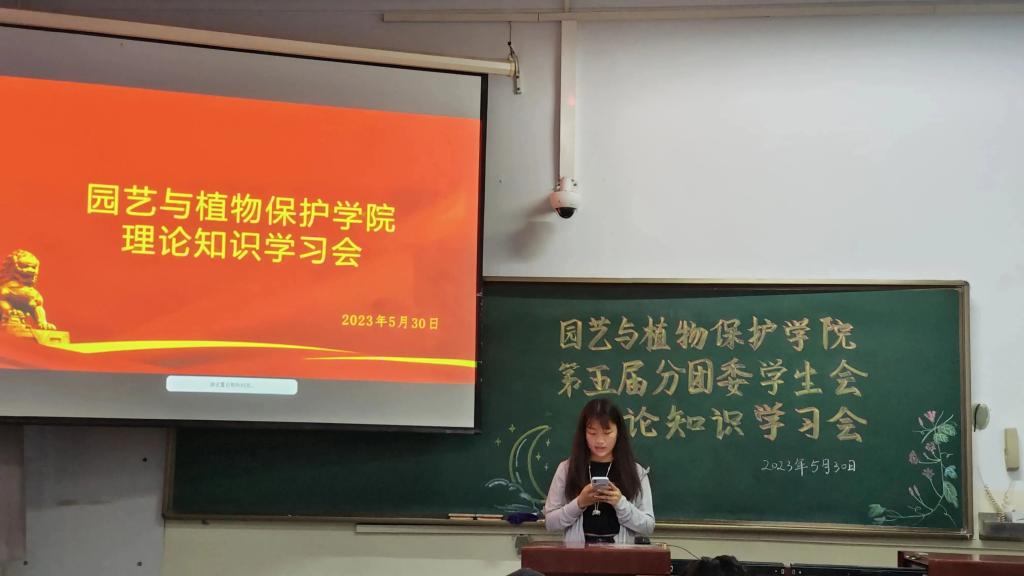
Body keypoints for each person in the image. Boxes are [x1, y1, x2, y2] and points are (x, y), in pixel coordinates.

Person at [543, 398, 655, 544]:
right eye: (592, 433)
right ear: (584, 433)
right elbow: (550, 523)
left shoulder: (636, 472)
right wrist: (579, 503)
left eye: (607, 432)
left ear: (618, 432)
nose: (600, 441)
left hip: (620, 555)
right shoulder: (567, 469)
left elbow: (648, 526)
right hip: (577, 554)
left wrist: (620, 503)